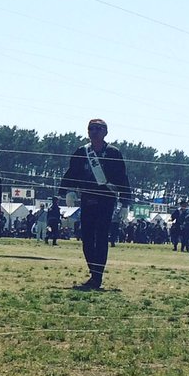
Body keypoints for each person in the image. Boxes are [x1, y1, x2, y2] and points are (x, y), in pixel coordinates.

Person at [59, 119, 132, 291]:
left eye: (98, 129)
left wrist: (125, 202)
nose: (94, 132)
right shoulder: (82, 152)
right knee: (87, 238)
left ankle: (97, 276)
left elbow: (122, 177)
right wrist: (68, 190)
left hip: (106, 201)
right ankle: (93, 270)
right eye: (91, 128)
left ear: (105, 132)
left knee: (100, 238)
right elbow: (72, 172)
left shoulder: (114, 153)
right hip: (87, 199)